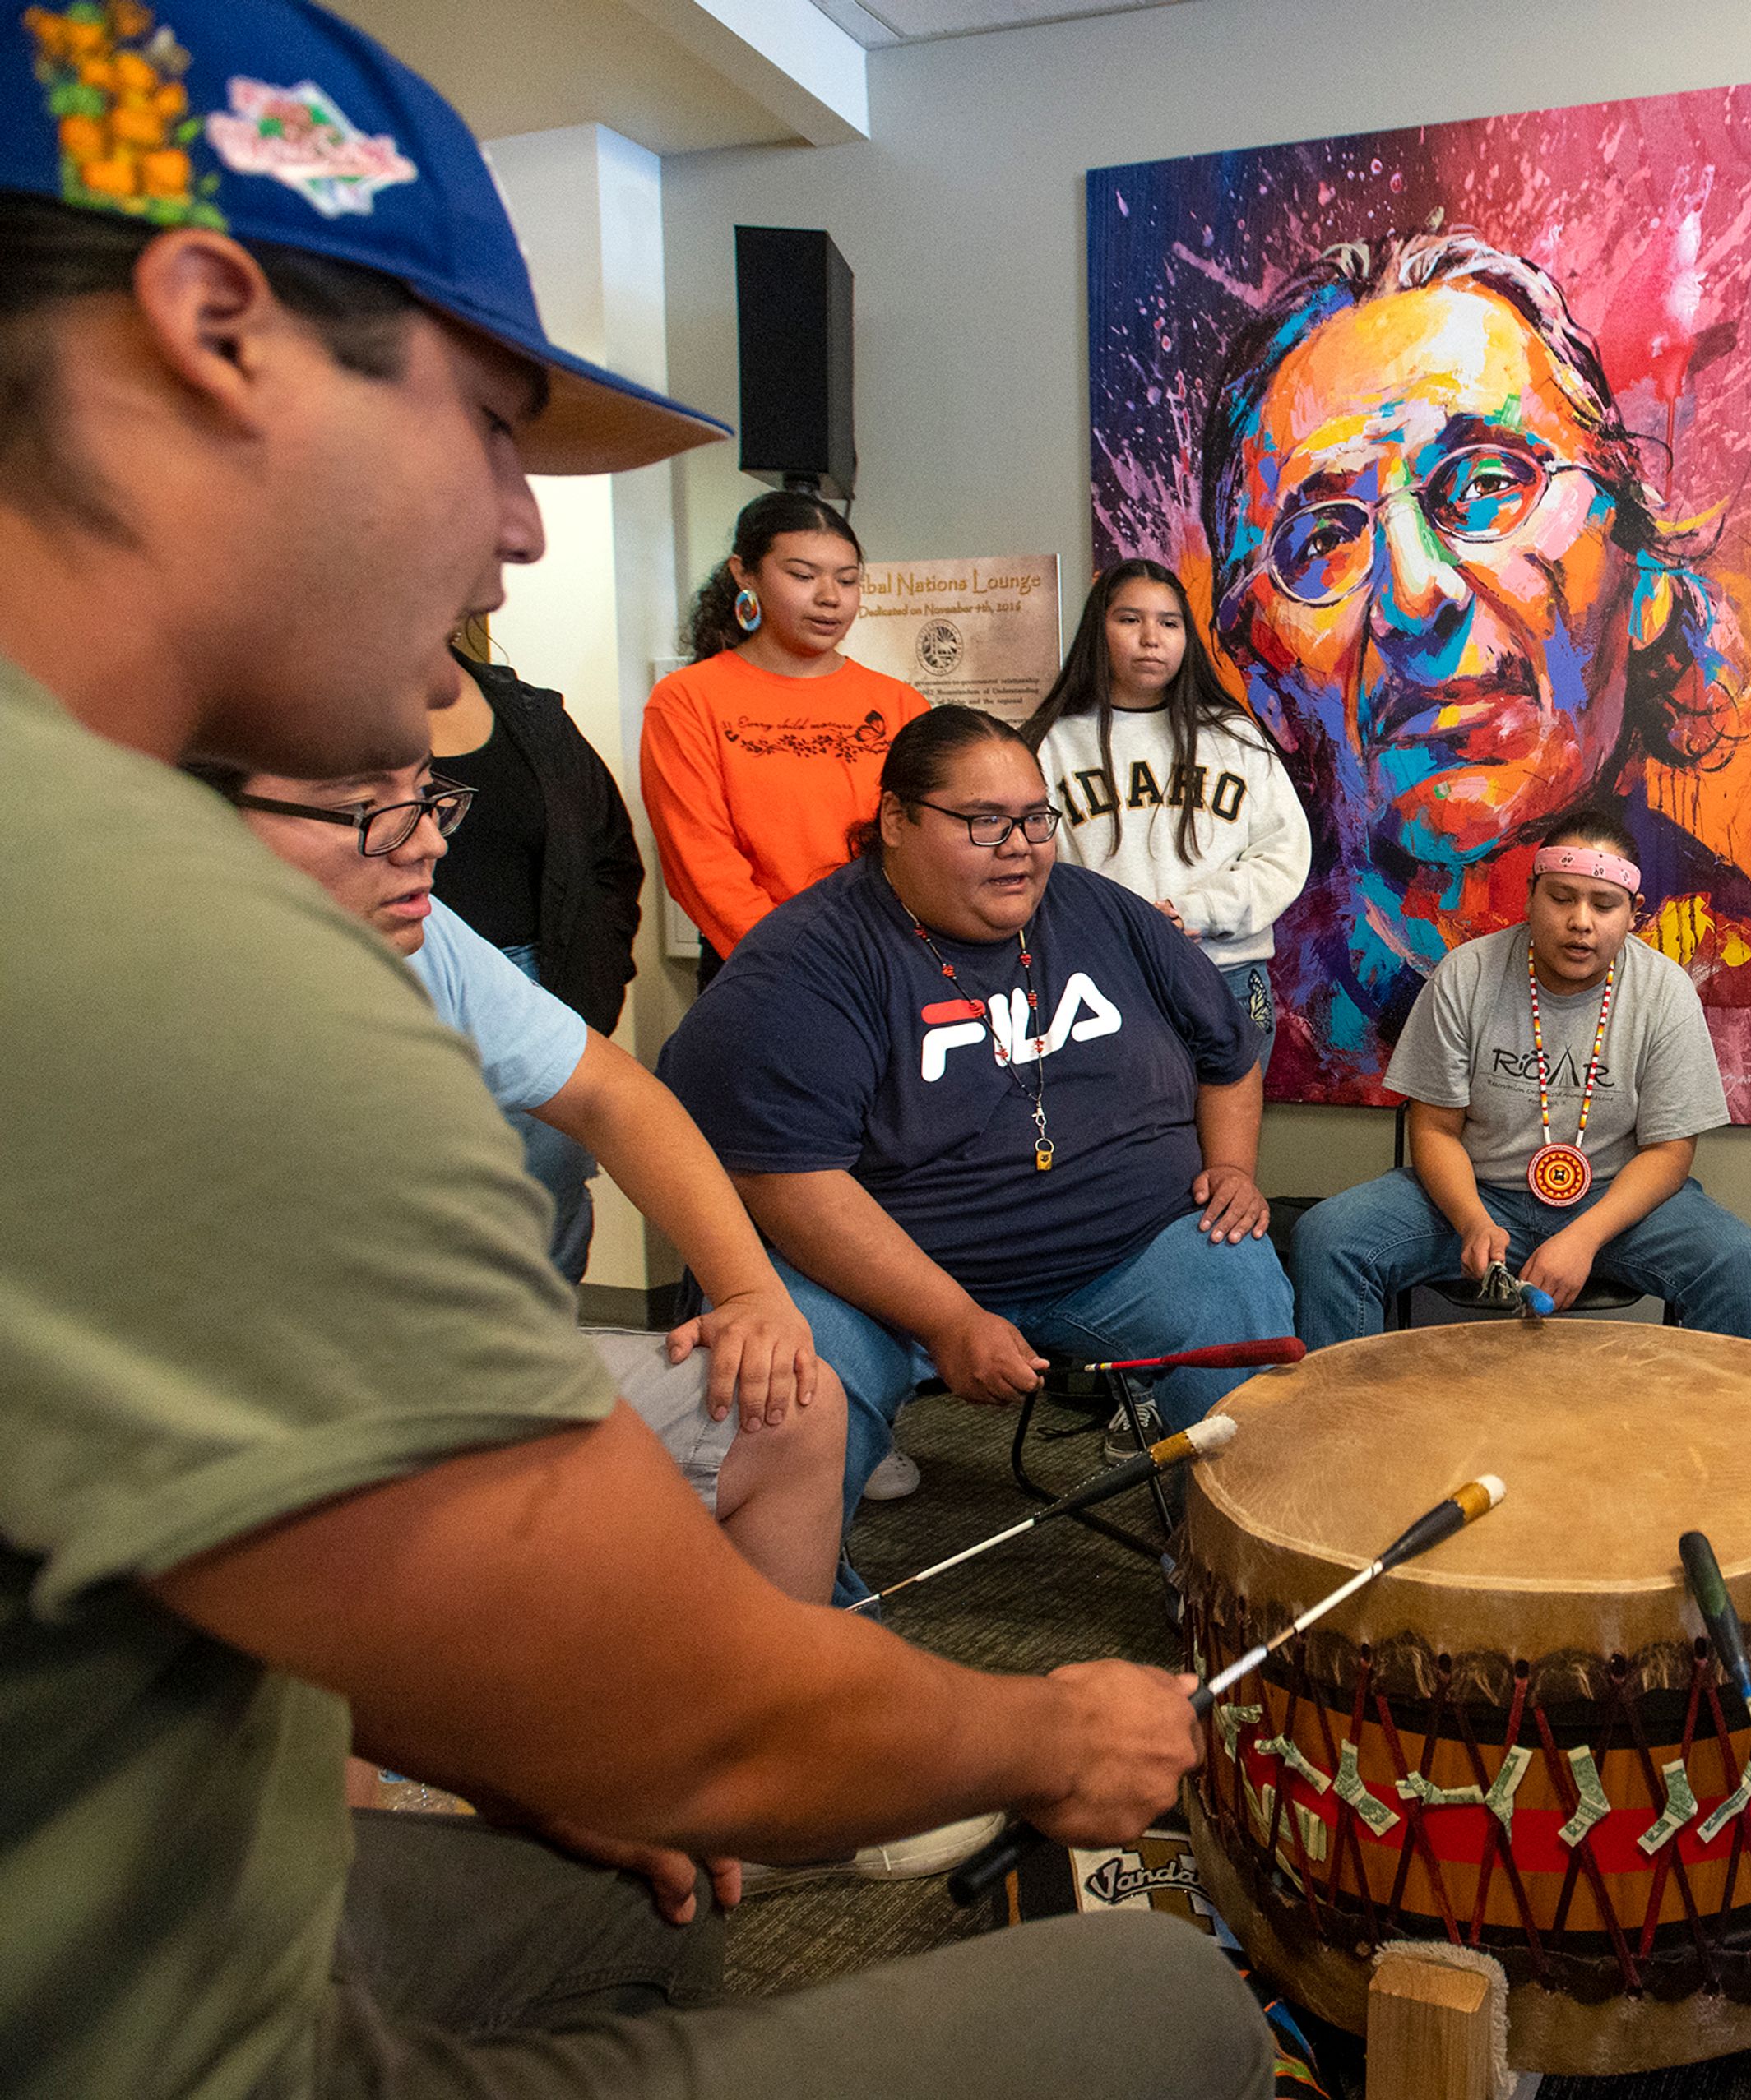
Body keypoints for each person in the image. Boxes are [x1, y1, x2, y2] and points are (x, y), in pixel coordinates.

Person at [0, 7, 1268, 2094]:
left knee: (638, 1878)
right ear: (212, 323)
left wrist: (540, 1744)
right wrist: (1057, 1724)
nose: (519, 530)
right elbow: (703, 1717)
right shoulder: (162, 946)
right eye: (492, 422)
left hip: (174, 1874)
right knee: (1163, 2004)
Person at [658, 706, 1294, 1597]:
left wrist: (1231, 1168)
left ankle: (1231, 1583)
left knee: (1245, 1293)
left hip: (1131, 1245)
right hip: (884, 1272)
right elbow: (784, 1177)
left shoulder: (1104, 912)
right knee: (783, 1381)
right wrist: (951, 1318)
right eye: (983, 821)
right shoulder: (808, 961)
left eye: (1037, 817)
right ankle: (799, 1639)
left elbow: (1229, 1058)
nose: (1021, 846)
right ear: (895, 822)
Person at [196, 747, 844, 1609]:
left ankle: (774, 1727)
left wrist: (749, 1293)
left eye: (428, 799)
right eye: (367, 809)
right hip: (265, 1434)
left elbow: (615, 1096)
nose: (426, 841)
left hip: (438, 1376)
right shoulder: (127, 993)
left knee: (786, 1405)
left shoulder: (423, 938)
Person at [1197, 227, 1751, 1107]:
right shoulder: (1253, 1030)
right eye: (1325, 538)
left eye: (1486, 481)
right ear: (1267, 684)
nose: (1415, 594)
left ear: (1635, 568)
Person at [1292, 807, 1751, 1347]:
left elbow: (1669, 1154)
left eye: (1603, 904)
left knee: (1734, 1259)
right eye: (1561, 898)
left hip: (1611, 1203)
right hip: (1480, 1194)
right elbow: (1435, 1130)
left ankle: (1722, 1434)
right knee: (1328, 1238)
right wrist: (1471, 1220)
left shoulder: (1665, 992)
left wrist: (1584, 1238)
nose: (1580, 921)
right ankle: (1344, 1422)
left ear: (1633, 913)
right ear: (1530, 895)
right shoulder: (1466, 974)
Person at [1019, 557, 1311, 1050]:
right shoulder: (1050, 743)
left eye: (1169, 623)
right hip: (1099, 978)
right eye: (1130, 619)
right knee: (1120, 1127)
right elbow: (1029, 867)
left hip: (1227, 974)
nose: (1150, 637)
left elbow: (1283, 855)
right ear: (1099, 629)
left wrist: (1195, 911)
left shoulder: (1233, 736)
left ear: (1185, 636)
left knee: (1227, 1128)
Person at [640, 490, 929, 982]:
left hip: (892, 957)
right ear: (744, 573)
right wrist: (798, 963)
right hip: (763, 965)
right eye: (802, 575)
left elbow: (928, 842)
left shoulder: (900, 703)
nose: (830, 597)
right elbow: (703, 867)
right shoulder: (688, 699)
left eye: (847, 579)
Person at [428, 631, 645, 1278]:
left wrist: (584, 1002)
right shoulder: (296, 711)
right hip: (390, 988)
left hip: (537, 988)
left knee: (546, 1229)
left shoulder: (527, 712)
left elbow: (608, 859)